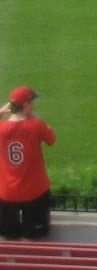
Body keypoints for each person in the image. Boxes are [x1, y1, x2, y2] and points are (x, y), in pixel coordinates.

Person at [0, 86, 55, 240]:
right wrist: (32, 117)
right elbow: (51, 139)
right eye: (32, 102)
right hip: (35, 190)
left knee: (9, 238)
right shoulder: (36, 125)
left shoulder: (1, 127)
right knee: (35, 237)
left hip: (6, 192)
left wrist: (1, 111)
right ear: (26, 105)